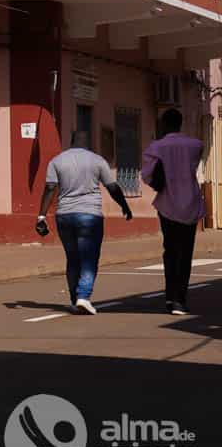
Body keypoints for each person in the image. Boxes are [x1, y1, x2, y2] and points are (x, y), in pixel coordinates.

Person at [37, 130, 133, 314]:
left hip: (64, 215)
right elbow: (112, 187)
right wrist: (124, 206)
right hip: (90, 214)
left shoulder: (57, 161)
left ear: (71, 141)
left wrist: (41, 216)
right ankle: (83, 296)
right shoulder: (97, 160)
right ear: (88, 142)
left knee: (72, 258)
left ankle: (75, 300)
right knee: (89, 258)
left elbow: (50, 187)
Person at [141, 108, 206, 316]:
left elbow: (146, 175)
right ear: (180, 123)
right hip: (191, 203)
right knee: (185, 253)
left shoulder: (156, 147)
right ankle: (180, 299)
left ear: (164, 124)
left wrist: (161, 181)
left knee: (170, 251)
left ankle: (171, 297)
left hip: (167, 205)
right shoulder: (196, 145)